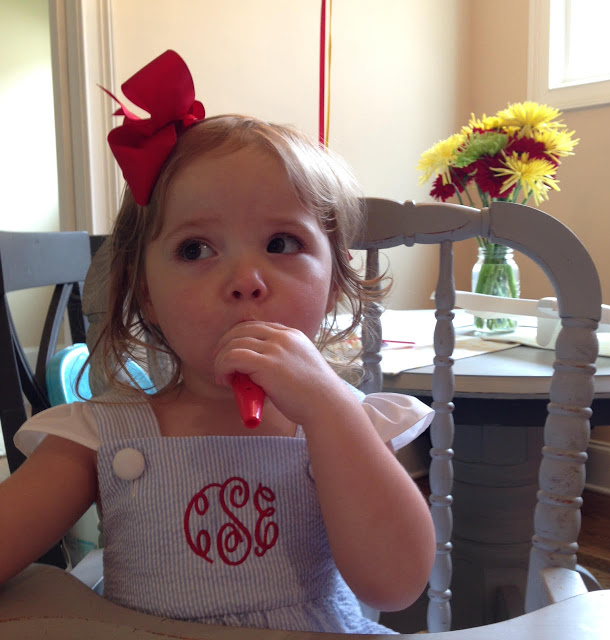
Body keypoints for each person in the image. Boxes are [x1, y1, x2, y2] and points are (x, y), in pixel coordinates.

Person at [0, 50, 435, 634]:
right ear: (146, 292)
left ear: (335, 282)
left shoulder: (350, 425)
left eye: (281, 244)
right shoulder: (100, 434)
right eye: (196, 249)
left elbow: (396, 584)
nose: (246, 281)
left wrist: (330, 409)